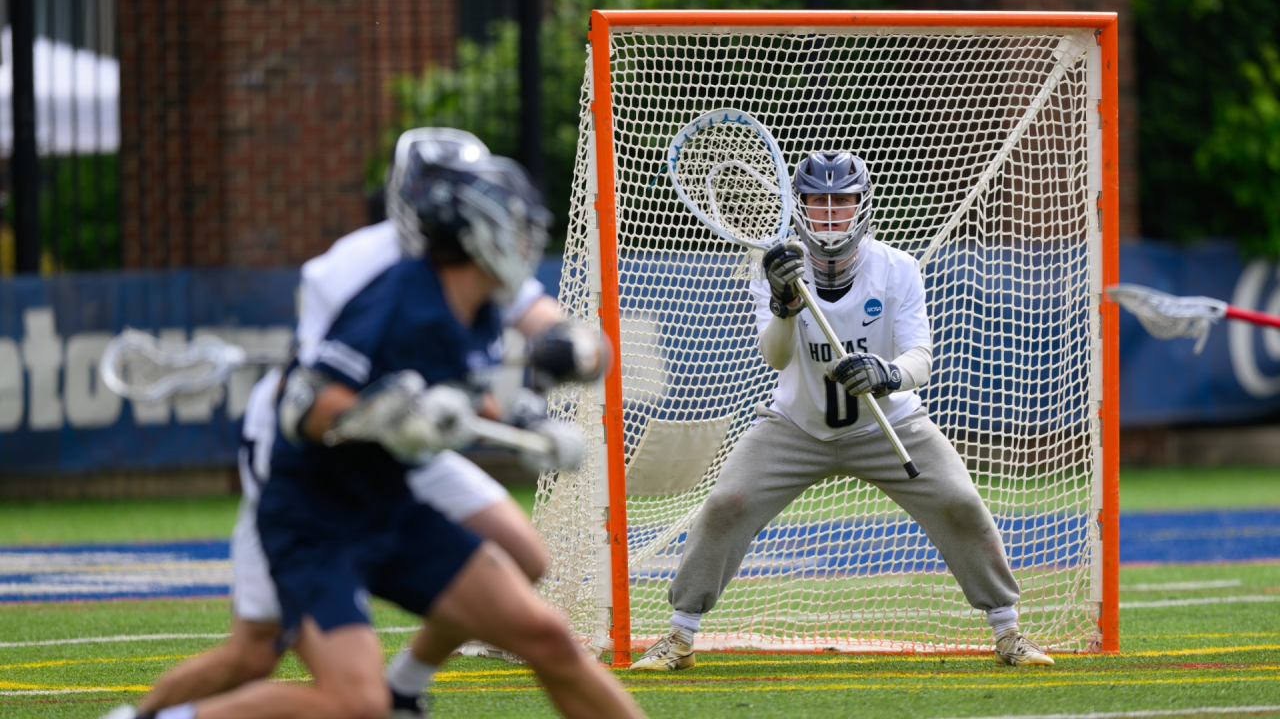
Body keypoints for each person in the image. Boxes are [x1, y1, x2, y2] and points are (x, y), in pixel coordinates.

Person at [106, 140, 642, 719]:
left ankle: (406, 687)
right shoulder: (383, 284)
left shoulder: (483, 295)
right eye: (511, 224)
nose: (524, 240)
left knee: (546, 634)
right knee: (307, 680)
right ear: (472, 226)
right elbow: (309, 404)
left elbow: (512, 358)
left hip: (393, 495)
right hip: (316, 504)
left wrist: (531, 414)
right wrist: (385, 415)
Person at [629, 151, 1054, 672]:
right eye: (818, 200)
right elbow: (775, 356)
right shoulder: (776, 268)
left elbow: (921, 355)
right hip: (796, 426)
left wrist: (887, 374)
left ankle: (1008, 631)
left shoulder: (896, 269)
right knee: (727, 503)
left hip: (888, 423)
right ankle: (680, 636)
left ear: (861, 205)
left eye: (842, 200)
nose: (830, 211)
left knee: (961, 502)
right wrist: (785, 305)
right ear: (801, 206)